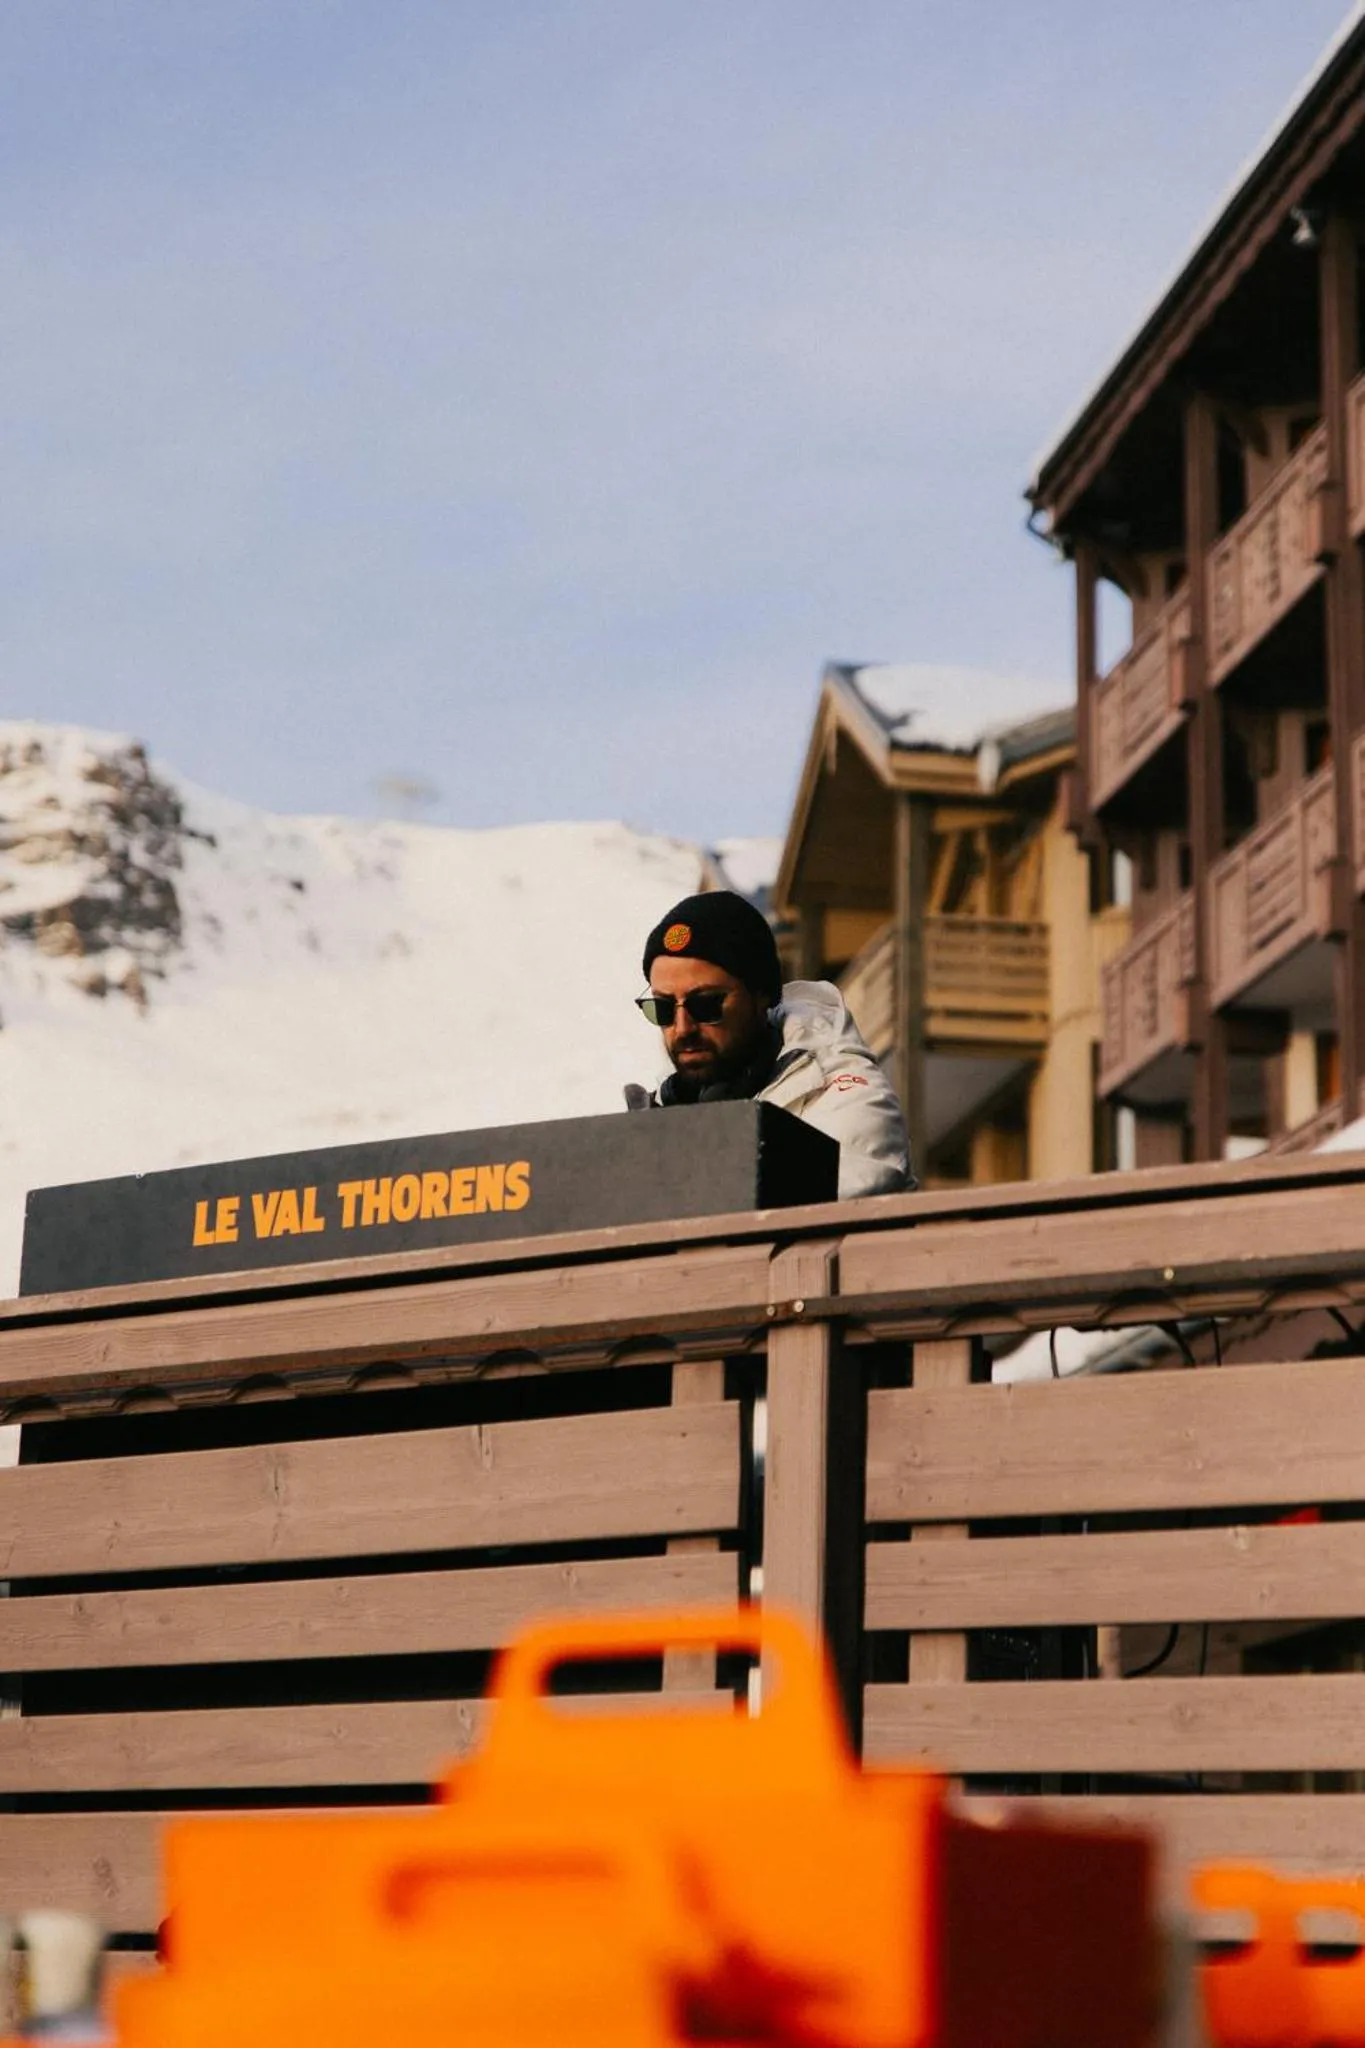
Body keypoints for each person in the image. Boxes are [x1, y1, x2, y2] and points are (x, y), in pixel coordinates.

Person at [626, 890, 912, 1198]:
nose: (682, 1029)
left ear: (762, 993)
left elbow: (854, 1186)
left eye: (706, 1004)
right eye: (663, 1009)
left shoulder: (847, 1094)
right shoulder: (665, 1116)